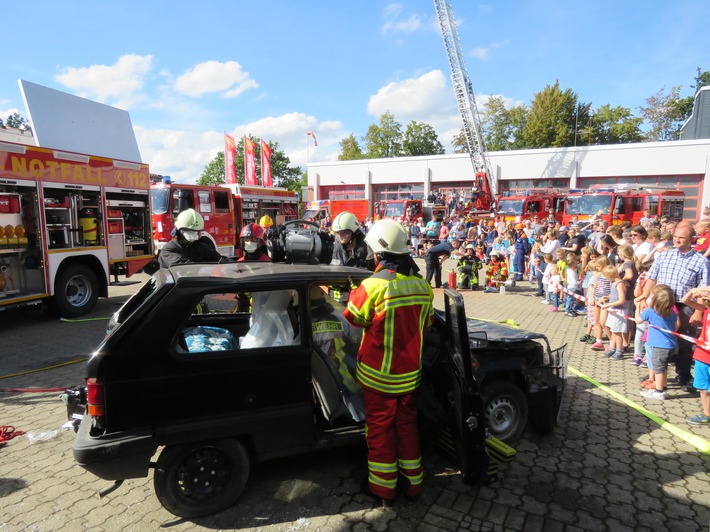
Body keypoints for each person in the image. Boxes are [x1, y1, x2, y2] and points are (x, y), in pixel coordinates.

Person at [342, 219, 434, 506]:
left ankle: (383, 490)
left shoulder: (373, 285)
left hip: (380, 377)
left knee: (380, 429)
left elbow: (353, 319)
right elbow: (427, 324)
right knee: (406, 426)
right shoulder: (423, 286)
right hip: (410, 377)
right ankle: (413, 484)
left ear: (379, 253)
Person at [637, 223, 710, 392]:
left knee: (684, 343)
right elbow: (651, 278)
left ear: (692, 239)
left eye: (681, 237)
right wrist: (643, 298)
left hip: (685, 306)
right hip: (661, 305)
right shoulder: (664, 256)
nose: (676, 239)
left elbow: (703, 289)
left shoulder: (701, 261)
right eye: (675, 236)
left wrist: (698, 311)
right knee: (657, 341)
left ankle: (683, 375)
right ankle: (655, 374)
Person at [636, 285, 678, 400]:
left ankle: (659, 391)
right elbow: (674, 328)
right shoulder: (672, 313)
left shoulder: (650, 311)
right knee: (663, 368)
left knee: (658, 369)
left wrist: (637, 307)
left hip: (658, 346)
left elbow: (638, 320)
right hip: (670, 345)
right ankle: (663, 388)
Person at [680, 287, 710, 424]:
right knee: (703, 387)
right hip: (702, 355)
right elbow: (684, 300)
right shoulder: (706, 310)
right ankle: (707, 414)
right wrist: (696, 290)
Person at [159, 208, 225, 268]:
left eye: (198, 231)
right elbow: (186, 268)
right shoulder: (169, 250)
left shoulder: (200, 247)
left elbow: (217, 258)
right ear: (180, 231)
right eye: (193, 232)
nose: (197, 234)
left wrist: (228, 262)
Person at [599, 264, 630, 361]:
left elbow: (621, 300)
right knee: (613, 331)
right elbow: (614, 295)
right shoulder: (613, 284)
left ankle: (619, 351)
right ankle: (613, 348)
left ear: (609, 276)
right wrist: (607, 298)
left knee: (617, 332)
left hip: (619, 311)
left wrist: (608, 305)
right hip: (613, 310)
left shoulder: (620, 284)